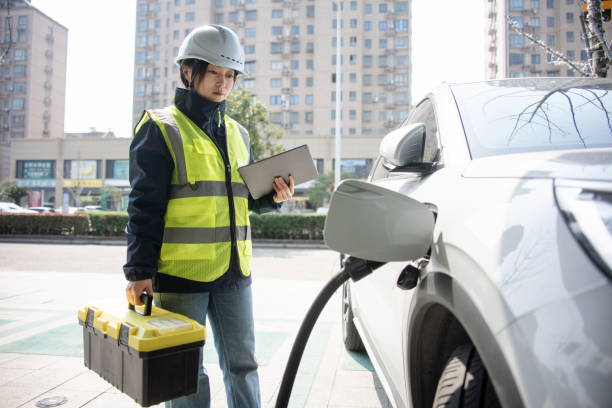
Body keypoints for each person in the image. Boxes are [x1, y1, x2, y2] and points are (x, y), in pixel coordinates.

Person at [123, 24, 294, 408]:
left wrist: (273, 196)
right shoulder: (159, 128)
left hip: (235, 273)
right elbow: (143, 207)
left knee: (243, 365)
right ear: (188, 71)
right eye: (214, 72)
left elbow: (239, 199)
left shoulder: (238, 133)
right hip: (181, 274)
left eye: (230, 75)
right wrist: (138, 271)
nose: (223, 83)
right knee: (186, 368)